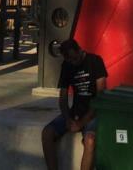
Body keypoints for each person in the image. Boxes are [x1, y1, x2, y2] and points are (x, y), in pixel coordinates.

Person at [41, 38, 107, 170]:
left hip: (93, 113)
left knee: (90, 140)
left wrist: (81, 123)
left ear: (80, 50)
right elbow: (63, 98)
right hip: (75, 111)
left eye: (74, 58)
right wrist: (67, 118)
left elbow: (101, 96)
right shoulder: (67, 65)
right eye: (69, 60)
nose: (73, 62)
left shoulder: (95, 61)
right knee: (47, 133)